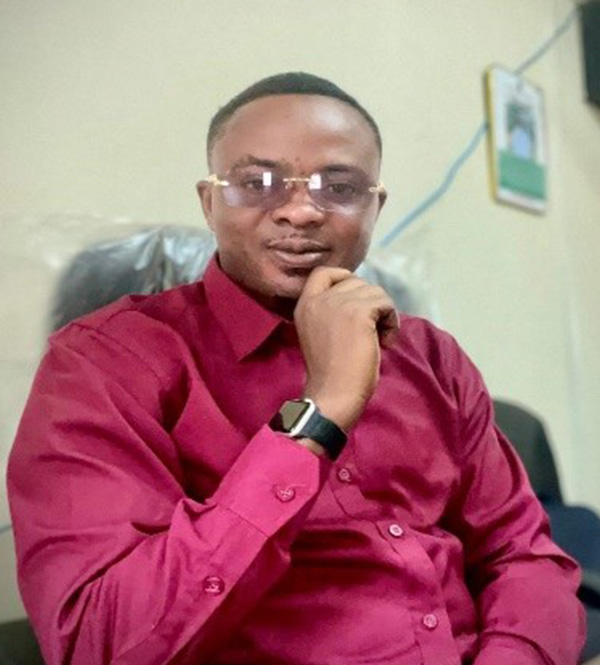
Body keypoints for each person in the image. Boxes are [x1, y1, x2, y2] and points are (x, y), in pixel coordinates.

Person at [7, 72, 585, 665]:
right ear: (209, 202)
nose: (302, 211)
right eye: (257, 183)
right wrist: (319, 414)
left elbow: (525, 555)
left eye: (340, 187)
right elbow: (97, 641)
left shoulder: (432, 356)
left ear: (374, 206)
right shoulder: (104, 363)